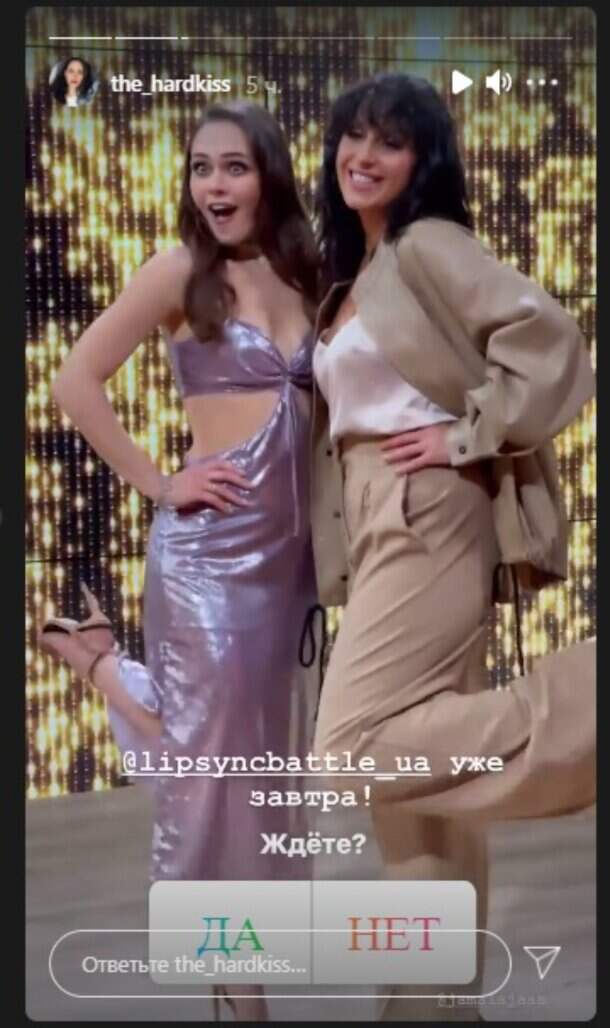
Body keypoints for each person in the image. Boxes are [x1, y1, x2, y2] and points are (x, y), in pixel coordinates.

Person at [310, 72, 596, 1021]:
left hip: (425, 506)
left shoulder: (428, 244)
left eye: (389, 141)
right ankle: (431, 1003)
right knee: (412, 792)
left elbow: (550, 339)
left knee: (353, 747)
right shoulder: (358, 270)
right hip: (384, 513)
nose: (363, 155)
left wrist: (467, 434)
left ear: (421, 161)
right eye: (353, 136)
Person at [39, 100, 320, 1022]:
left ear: (268, 175)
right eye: (201, 168)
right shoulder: (176, 271)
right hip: (207, 560)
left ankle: (100, 667)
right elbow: (74, 381)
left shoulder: (310, 272)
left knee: (263, 768)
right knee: (212, 774)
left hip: (288, 567)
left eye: (233, 166)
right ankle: (239, 989)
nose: (214, 186)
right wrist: (161, 484)